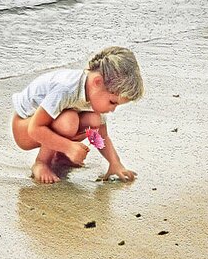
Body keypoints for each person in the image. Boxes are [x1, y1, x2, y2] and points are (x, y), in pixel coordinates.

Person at [11, 46, 144, 184]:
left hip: (43, 125)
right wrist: (68, 147)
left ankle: (60, 156)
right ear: (97, 82)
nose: (113, 109)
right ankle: (41, 162)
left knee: (95, 120)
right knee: (68, 121)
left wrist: (115, 162)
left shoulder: (93, 93)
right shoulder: (66, 89)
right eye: (112, 102)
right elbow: (35, 128)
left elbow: (102, 135)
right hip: (24, 128)